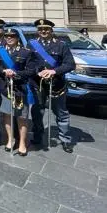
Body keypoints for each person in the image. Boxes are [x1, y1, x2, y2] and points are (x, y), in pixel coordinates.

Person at [28, 19, 75, 153]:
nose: (43, 31)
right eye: (41, 29)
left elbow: (70, 64)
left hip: (56, 85)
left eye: (46, 29)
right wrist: (38, 71)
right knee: (37, 112)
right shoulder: (31, 44)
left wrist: (54, 71)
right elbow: (28, 63)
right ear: (38, 30)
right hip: (38, 84)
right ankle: (37, 136)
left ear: (51, 30)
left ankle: (65, 140)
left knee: (61, 113)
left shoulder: (61, 45)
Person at [0, 28, 37, 156]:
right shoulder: (0, 51)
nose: (9, 38)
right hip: (5, 88)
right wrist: (4, 71)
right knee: (7, 115)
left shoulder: (26, 52)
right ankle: (10, 139)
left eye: (12, 36)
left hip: (20, 89)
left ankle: (22, 143)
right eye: (7, 36)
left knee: (22, 117)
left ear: (17, 37)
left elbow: (31, 71)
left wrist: (16, 73)